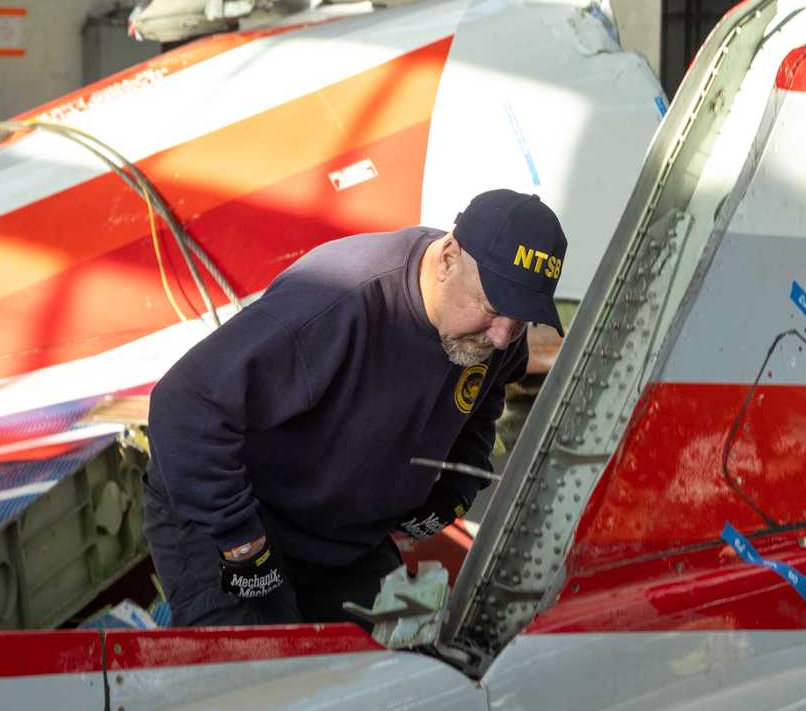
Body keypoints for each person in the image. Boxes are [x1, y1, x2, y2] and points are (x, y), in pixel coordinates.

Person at [142, 188, 567, 627]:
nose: (502, 336)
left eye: (520, 320)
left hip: (338, 534)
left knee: (391, 667)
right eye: (493, 309)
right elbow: (184, 404)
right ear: (447, 259)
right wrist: (242, 542)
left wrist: (456, 486)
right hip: (231, 508)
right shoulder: (335, 301)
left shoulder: (492, 337)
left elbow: (487, 393)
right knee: (258, 679)